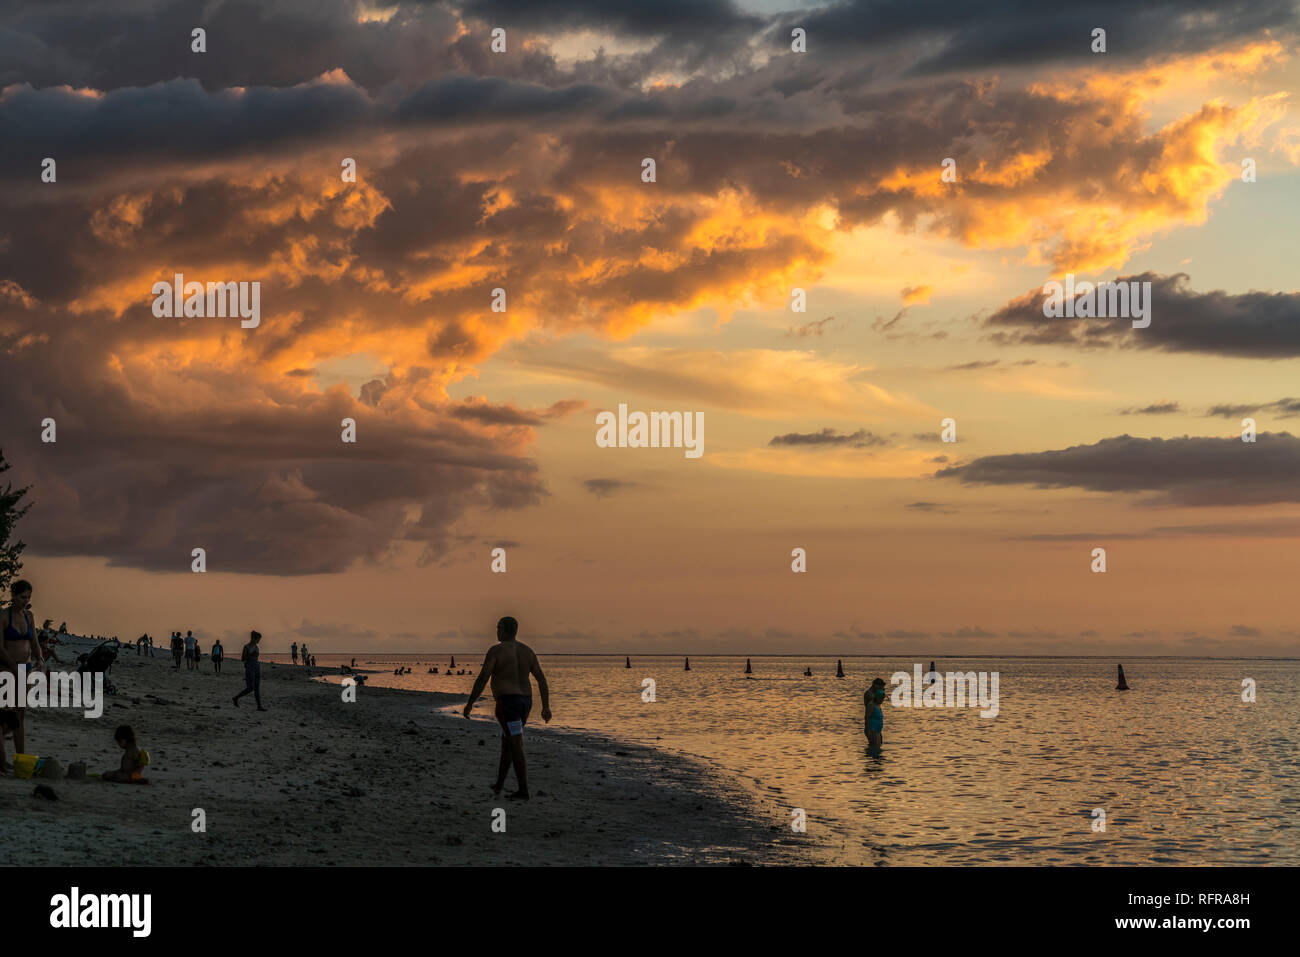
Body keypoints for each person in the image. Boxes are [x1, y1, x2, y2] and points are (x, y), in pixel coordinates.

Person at [463, 616, 551, 800]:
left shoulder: (496, 651)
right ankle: (499, 785)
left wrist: (470, 703)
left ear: (503, 630)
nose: (496, 631)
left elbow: (482, 678)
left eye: (498, 628)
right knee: (508, 742)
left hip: (508, 704)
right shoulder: (528, 651)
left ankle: (523, 790)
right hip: (525, 703)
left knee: (516, 744)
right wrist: (545, 707)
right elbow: (541, 679)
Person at [1, 579, 43, 764]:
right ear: (13, 596)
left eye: (28, 597)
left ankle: (20, 758)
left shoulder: (29, 616)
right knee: (4, 714)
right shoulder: (3, 616)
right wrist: (12, 667)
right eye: (22, 597)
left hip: (25, 669)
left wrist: (39, 658)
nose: (25, 600)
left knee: (20, 715)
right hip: (7, 668)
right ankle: (1, 759)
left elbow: (34, 641)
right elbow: (0, 648)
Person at [232, 631, 266, 710]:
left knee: (257, 687)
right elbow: (242, 658)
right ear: (253, 638)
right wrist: (251, 655)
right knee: (250, 687)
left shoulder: (257, 647)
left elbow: (256, 657)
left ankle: (259, 706)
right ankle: (236, 698)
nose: (259, 641)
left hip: (257, 667)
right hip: (249, 667)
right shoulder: (246, 647)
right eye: (258, 639)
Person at [865, 678, 886, 748]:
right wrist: (868, 729)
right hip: (872, 725)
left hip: (877, 727)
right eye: (880, 688)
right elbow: (867, 716)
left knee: (878, 746)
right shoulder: (868, 694)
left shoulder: (876, 696)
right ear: (875, 685)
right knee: (874, 748)